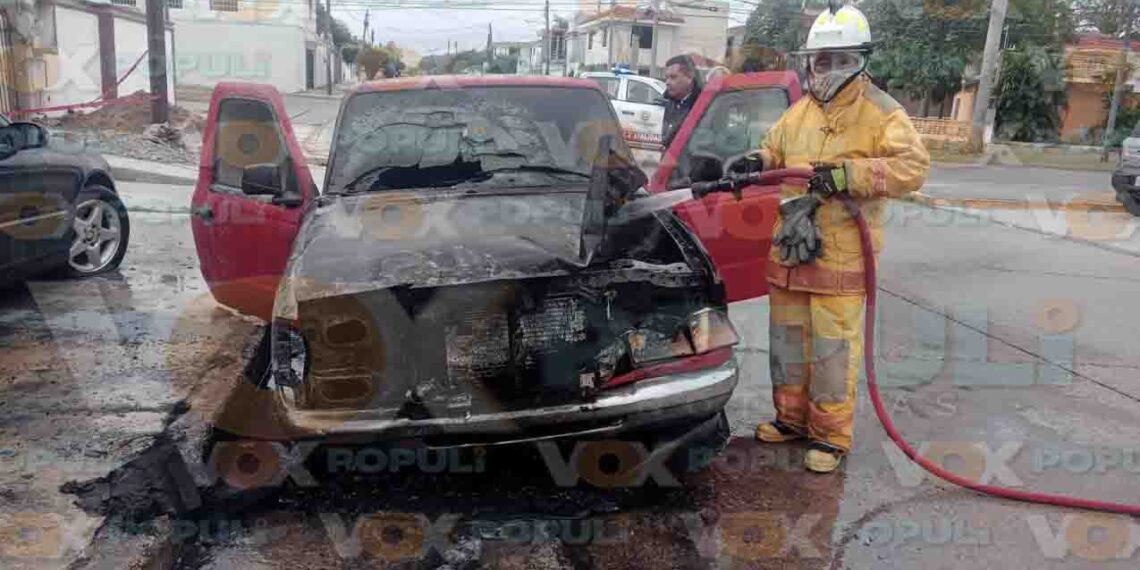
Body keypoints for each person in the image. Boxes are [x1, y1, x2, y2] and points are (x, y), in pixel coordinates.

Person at [749, 4, 930, 473]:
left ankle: (830, 437)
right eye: (821, 60)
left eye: (841, 59)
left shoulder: (882, 112)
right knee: (787, 343)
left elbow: (913, 168)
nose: (829, 70)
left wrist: (850, 174)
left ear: (862, 60)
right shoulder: (799, 113)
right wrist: (754, 160)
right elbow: (774, 148)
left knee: (831, 351)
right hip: (791, 252)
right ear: (809, 62)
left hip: (841, 258)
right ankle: (790, 420)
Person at [661, 55, 702, 148]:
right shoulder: (671, 102)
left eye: (673, 77)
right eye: (666, 77)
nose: (667, 82)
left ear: (690, 77)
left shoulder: (703, 105)